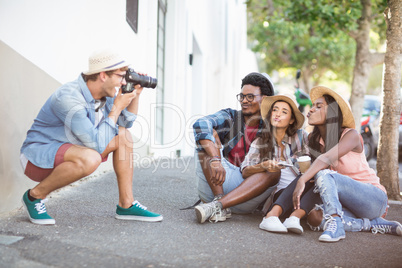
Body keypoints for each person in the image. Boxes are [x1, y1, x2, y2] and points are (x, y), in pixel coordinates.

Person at [20, 49, 163, 225]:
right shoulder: (68, 97)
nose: (123, 82)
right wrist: (116, 108)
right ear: (103, 75)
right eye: (120, 76)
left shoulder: (106, 94)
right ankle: (34, 197)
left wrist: (136, 96)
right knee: (91, 157)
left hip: (75, 150)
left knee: (124, 136)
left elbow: (125, 124)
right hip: (38, 157)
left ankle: (126, 204)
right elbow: (95, 144)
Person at [293, 86, 402, 242]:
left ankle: (336, 225)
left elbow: (327, 159)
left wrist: (301, 181)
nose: (311, 110)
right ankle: (370, 225)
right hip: (344, 202)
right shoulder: (314, 140)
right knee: (315, 218)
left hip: (372, 199)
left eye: (319, 106)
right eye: (312, 106)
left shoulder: (351, 135)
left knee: (324, 174)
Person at [193, 72, 279, 223]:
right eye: (242, 96)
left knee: (274, 171)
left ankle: (219, 205)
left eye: (250, 97)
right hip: (215, 185)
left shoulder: (274, 127)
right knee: (207, 137)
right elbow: (200, 124)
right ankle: (219, 204)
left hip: (246, 195)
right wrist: (215, 158)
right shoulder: (231, 117)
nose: (244, 101)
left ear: (264, 99)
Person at [241, 93, 319, 234]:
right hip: (278, 196)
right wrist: (263, 166)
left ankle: (293, 219)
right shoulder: (260, 141)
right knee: (307, 179)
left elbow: (314, 164)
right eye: (275, 110)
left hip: (303, 192)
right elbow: (245, 170)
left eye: (284, 112)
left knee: (317, 178)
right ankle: (271, 216)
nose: (277, 114)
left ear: (291, 120)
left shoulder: (301, 137)